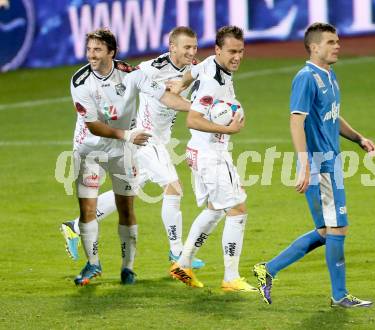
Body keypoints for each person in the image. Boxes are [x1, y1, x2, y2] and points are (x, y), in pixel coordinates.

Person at [253, 22, 375, 307]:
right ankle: (340, 296)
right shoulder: (306, 77)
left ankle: (267, 269)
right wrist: (304, 165)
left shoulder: (330, 75)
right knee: (337, 229)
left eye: (338, 41)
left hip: (331, 163)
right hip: (320, 164)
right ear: (314, 46)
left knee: (326, 231)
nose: (337, 46)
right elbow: (296, 121)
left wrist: (358, 138)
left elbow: (333, 115)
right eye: (331, 42)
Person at [60, 26, 205, 269]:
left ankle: (74, 226)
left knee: (130, 190)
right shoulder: (152, 68)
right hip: (145, 138)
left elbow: (198, 94)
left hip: (162, 138)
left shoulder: (194, 70)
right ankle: (177, 253)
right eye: (187, 47)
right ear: (172, 47)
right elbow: (131, 78)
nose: (192, 52)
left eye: (194, 47)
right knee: (173, 187)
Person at [168, 26, 257, 292]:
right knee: (237, 209)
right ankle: (231, 278)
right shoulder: (213, 82)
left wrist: (179, 84)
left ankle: (182, 265)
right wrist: (227, 129)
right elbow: (193, 120)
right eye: (231, 51)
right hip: (211, 154)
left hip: (199, 152)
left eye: (240, 51)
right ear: (218, 50)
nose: (237, 57)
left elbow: (191, 72)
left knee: (215, 209)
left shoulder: (208, 64)